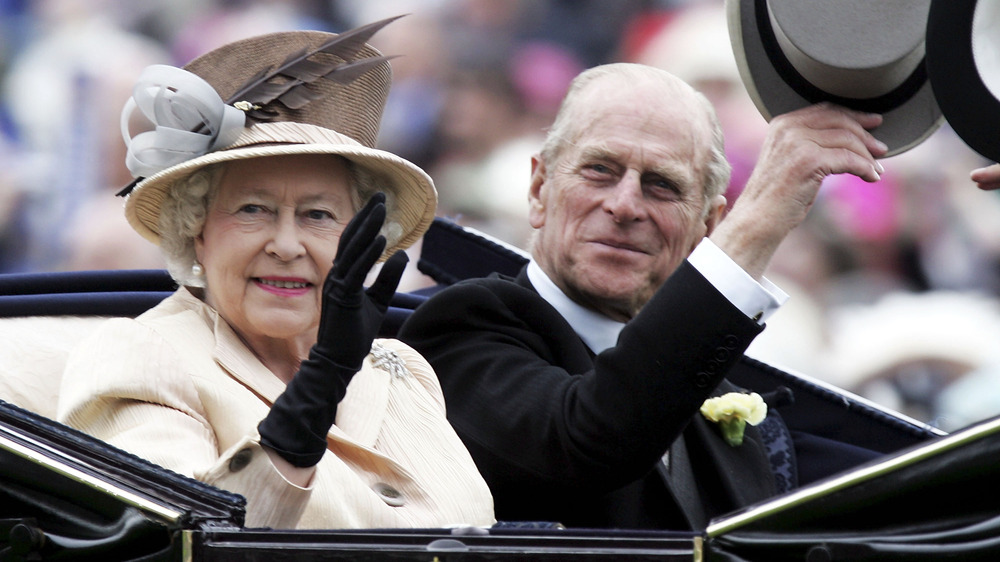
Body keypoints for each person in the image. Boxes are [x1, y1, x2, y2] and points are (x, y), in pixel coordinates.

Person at [398, 62, 886, 530]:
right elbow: (591, 437)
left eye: (662, 185)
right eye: (600, 170)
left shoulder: (718, 397)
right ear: (540, 189)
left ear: (707, 227)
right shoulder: (456, 330)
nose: (625, 205)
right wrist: (763, 216)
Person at [57, 20, 494, 530]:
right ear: (196, 229)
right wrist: (321, 382)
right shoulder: (140, 356)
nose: (286, 245)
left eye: (317, 215)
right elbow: (185, 541)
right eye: (252, 209)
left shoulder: (402, 370)